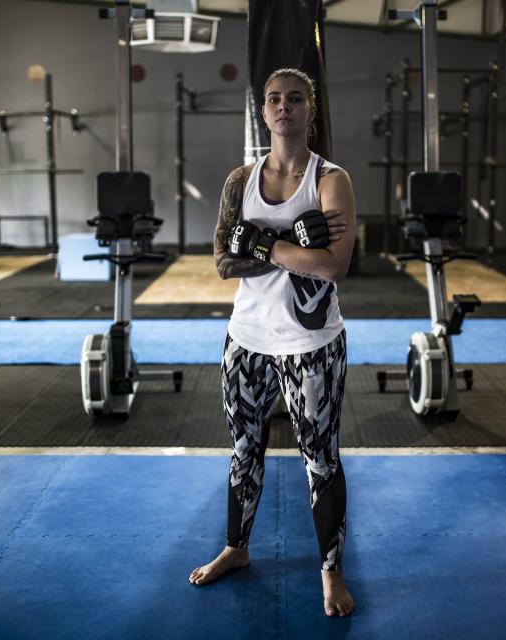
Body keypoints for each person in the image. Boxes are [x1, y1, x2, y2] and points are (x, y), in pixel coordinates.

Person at [188, 68, 357, 618]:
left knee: (320, 459)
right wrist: (290, 245)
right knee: (243, 451)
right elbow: (221, 262)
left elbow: (333, 266)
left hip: (312, 345)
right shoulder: (241, 180)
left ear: (311, 109)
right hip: (247, 341)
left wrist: (262, 242)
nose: (284, 107)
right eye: (274, 99)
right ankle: (236, 548)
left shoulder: (331, 181)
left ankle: (330, 571)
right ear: (263, 111)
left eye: (295, 99)